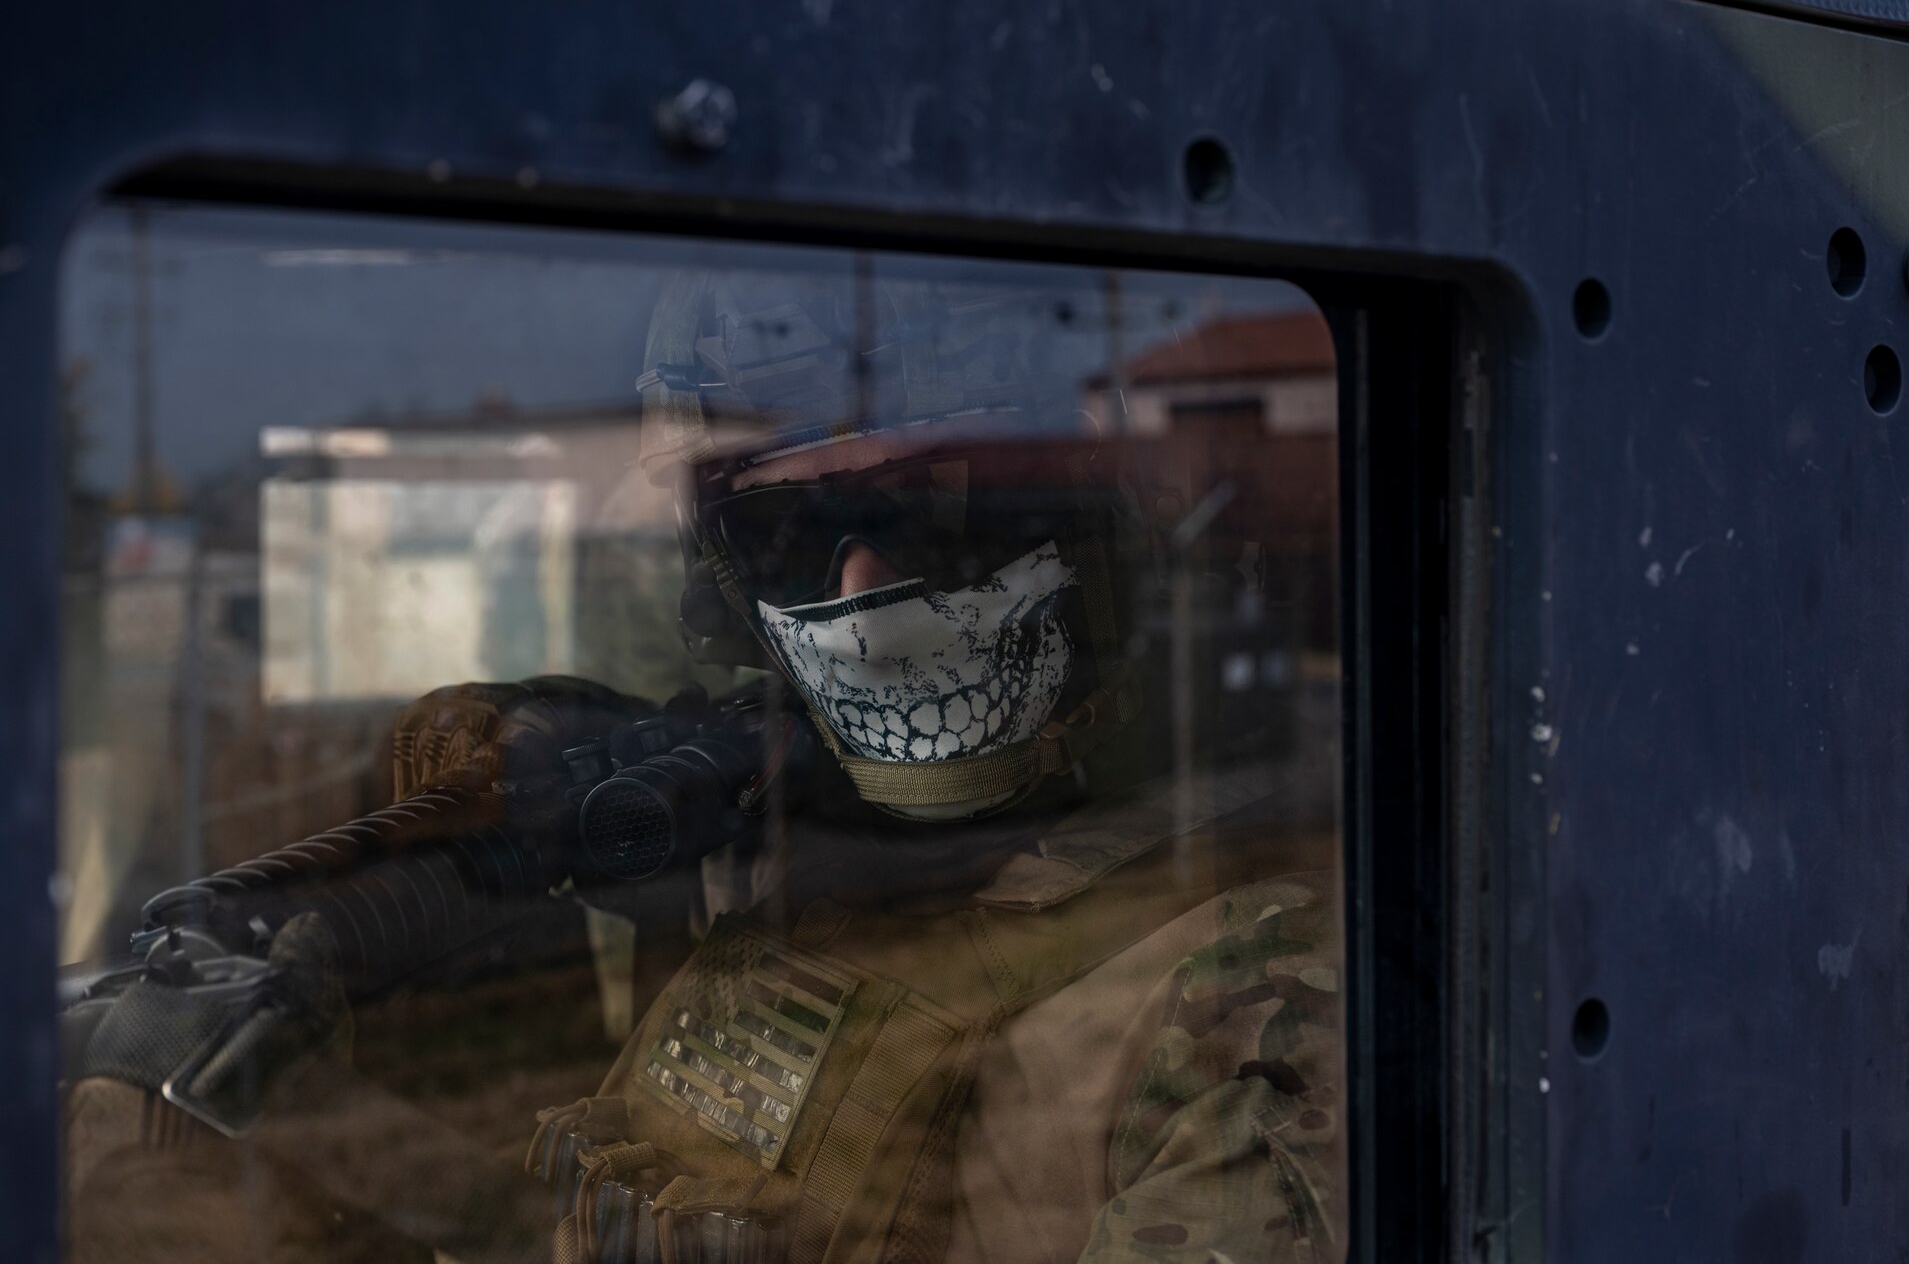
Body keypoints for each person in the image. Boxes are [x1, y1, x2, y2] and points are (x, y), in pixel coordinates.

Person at [63, 262, 1345, 1264]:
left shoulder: (1255, 989)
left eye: (936, 510)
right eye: (788, 530)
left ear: (1087, 519)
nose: (863, 590)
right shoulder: (787, 864)